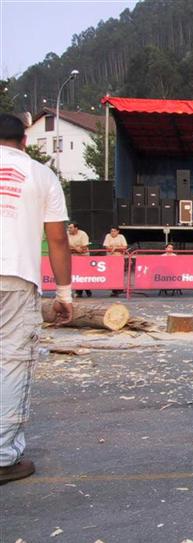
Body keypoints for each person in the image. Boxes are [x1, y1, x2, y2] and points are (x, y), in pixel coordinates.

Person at [0, 113, 73, 484]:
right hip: (15, 277)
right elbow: (57, 239)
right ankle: (3, 456)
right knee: (12, 362)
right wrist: (64, 294)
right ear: (25, 141)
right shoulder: (41, 175)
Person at [67, 222, 91, 297]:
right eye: (68, 227)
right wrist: (75, 248)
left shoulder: (83, 234)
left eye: (71, 227)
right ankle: (79, 291)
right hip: (73, 257)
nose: (69, 229)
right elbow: (65, 246)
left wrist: (73, 248)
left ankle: (86, 289)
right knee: (75, 273)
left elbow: (84, 247)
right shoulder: (67, 234)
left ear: (76, 228)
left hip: (83, 257)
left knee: (83, 274)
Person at [103, 226, 127, 297]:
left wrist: (115, 248)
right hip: (110, 258)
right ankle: (114, 290)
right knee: (111, 274)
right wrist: (115, 249)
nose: (112, 233)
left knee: (119, 273)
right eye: (111, 231)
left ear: (118, 231)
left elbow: (125, 247)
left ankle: (119, 288)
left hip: (119, 258)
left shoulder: (121, 237)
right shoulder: (108, 236)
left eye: (114, 231)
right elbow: (107, 247)